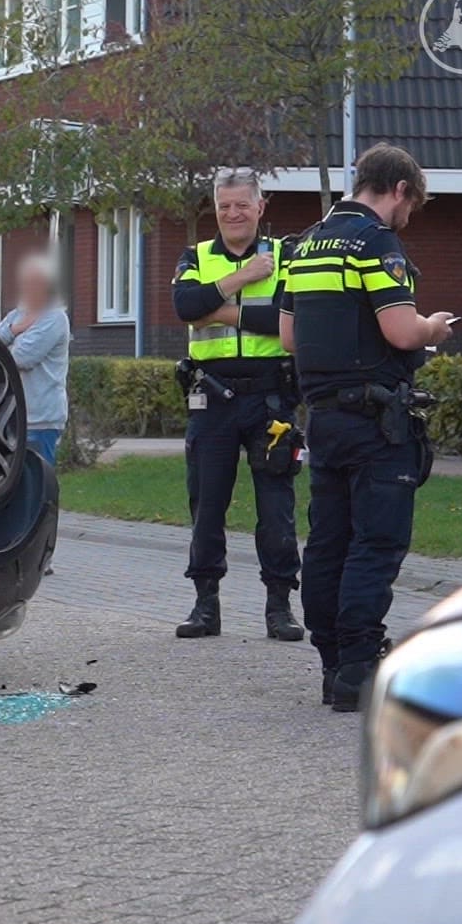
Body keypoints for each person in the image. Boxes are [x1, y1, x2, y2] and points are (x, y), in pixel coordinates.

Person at [279, 144, 455, 712]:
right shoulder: (377, 243)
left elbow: (288, 338)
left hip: (323, 418)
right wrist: (433, 326)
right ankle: (360, 664)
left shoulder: (305, 245)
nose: (407, 218)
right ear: (399, 189)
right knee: (374, 543)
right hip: (376, 421)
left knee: (328, 541)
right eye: (411, 205)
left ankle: (332, 663)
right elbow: (402, 332)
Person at [170, 169, 305, 643]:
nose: (232, 214)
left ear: (260, 207)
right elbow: (186, 306)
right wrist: (243, 278)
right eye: (224, 206)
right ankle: (205, 605)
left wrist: (221, 306)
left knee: (276, 506)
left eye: (242, 205)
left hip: (271, 396)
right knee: (206, 503)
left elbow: (291, 315)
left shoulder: (286, 256)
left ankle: (280, 607)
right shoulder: (198, 256)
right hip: (212, 396)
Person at [0, 252, 70, 465]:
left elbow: (21, 357)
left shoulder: (54, 318)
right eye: (25, 282)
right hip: (13, 417)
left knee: (39, 485)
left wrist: (8, 341)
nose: (27, 288)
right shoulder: (18, 315)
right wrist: (15, 329)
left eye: (34, 282)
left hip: (41, 419)